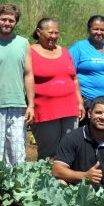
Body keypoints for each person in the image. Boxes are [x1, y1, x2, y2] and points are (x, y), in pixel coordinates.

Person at [0, 3, 35, 166]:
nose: (7, 23)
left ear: (16, 22)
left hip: (17, 105)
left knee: (16, 154)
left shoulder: (24, 44)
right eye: (4, 19)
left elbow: (28, 74)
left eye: (11, 20)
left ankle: (12, 190)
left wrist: (31, 105)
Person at [30, 17, 84, 160]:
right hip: (45, 110)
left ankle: (66, 181)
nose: (54, 36)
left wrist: (79, 103)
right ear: (39, 32)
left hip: (69, 109)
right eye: (50, 33)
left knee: (69, 150)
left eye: (56, 33)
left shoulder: (65, 51)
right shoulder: (29, 52)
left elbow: (74, 78)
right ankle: (45, 181)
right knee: (48, 153)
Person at [52, 96, 104, 187]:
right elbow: (57, 170)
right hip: (77, 195)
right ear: (89, 113)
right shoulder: (72, 138)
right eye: (98, 112)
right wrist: (84, 176)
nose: (102, 117)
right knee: (60, 183)